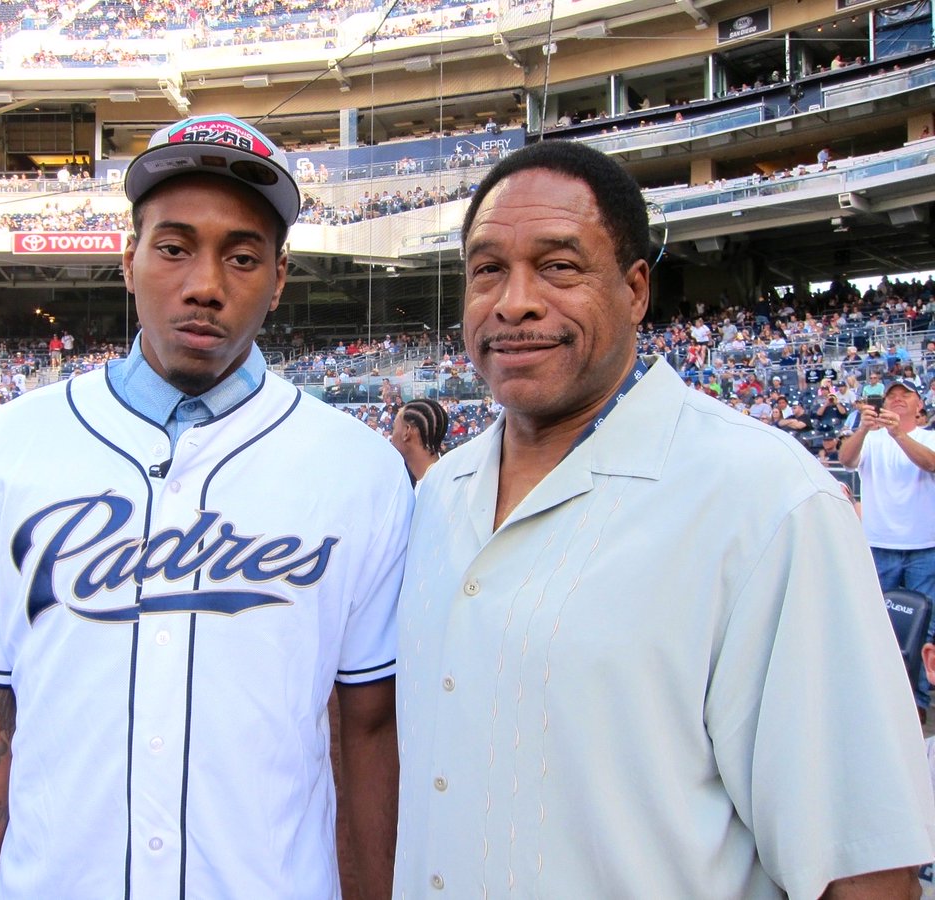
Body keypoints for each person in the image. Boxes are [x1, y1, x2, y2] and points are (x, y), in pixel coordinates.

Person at [393, 140, 935, 897]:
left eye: (559, 266)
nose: (514, 301)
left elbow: (864, 861)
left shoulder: (767, 498)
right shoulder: (439, 490)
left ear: (636, 289)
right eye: (488, 269)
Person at [0, 114, 413, 899]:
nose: (205, 284)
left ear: (277, 280)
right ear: (128, 260)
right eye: (173, 247)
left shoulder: (361, 470)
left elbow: (370, 728)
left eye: (242, 257)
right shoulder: (6, 448)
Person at [839, 377, 935, 713]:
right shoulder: (872, 440)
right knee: (878, 624)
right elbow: (846, 459)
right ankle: (881, 699)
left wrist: (897, 434)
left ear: (918, 404)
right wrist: (864, 429)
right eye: (891, 395)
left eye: (904, 395)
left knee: (926, 627)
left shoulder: (928, 436)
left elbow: (930, 463)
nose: (896, 399)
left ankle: (919, 702)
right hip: (879, 545)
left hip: (924, 547)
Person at [389, 398, 448, 486]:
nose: (391, 438)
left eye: (393, 428)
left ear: (406, 432)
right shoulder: (444, 476)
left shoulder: (434, 489)